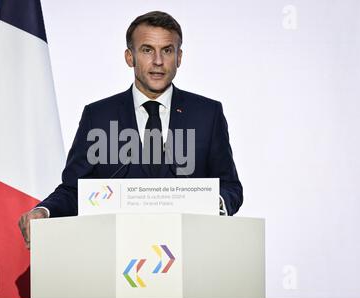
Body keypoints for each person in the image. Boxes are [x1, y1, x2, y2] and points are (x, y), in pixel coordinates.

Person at [18, 11, 243, 248]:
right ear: (130, 57)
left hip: (190, 253)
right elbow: (75, 189)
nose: (158, 61)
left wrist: (210, 204)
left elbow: (231, 188)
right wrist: (45, 211)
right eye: (147, 50)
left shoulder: (207, 114)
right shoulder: (99, 116)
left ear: (179, 58)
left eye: (167, 50)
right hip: (116, 254)